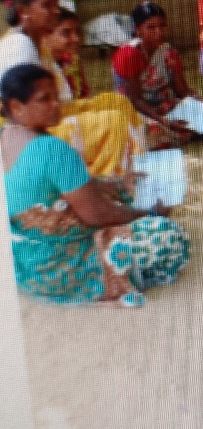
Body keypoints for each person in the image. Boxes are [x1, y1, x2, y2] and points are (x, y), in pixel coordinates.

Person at [1, 64, 189, 307]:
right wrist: (149, 214)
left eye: (56, 96)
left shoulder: (6, 137)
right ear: (16, 106)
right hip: (65, 265)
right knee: (169, 236)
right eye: (44, 99)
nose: (56, 104)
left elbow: (54, 190)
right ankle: (108, 277)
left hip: (28, 266)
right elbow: (96, 214)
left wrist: (117, 185)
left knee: (123, 191)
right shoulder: (51, 149)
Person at [0, 0, 144, 175]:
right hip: (29, 133)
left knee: (118, 102)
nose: (55, 11)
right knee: (114, 123)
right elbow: (26, 115)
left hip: (54, 112)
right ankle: (107, 180)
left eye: (56, 4)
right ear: (23, 11)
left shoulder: (37, 40)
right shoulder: (19, 47)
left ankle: (136, 165)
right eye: (47, 5)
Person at [112, 2, 203, 142]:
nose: (159, 32)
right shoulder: (128, 54)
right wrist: (165, 121)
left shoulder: (169, 52)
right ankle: (193, 133)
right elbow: (136, 100)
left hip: (163, 106)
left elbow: (182, 91)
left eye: (162, 26)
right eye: (151, 27)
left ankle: (189, 132)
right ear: (138, 30)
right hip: (137, 110)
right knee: (152, 131)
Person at [44, 7, 90, 100]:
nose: (76, 39)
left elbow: (85, 96)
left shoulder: (73, 60)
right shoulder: (39, 66)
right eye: (66, 33)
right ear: (46, 35)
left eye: (77, 32)